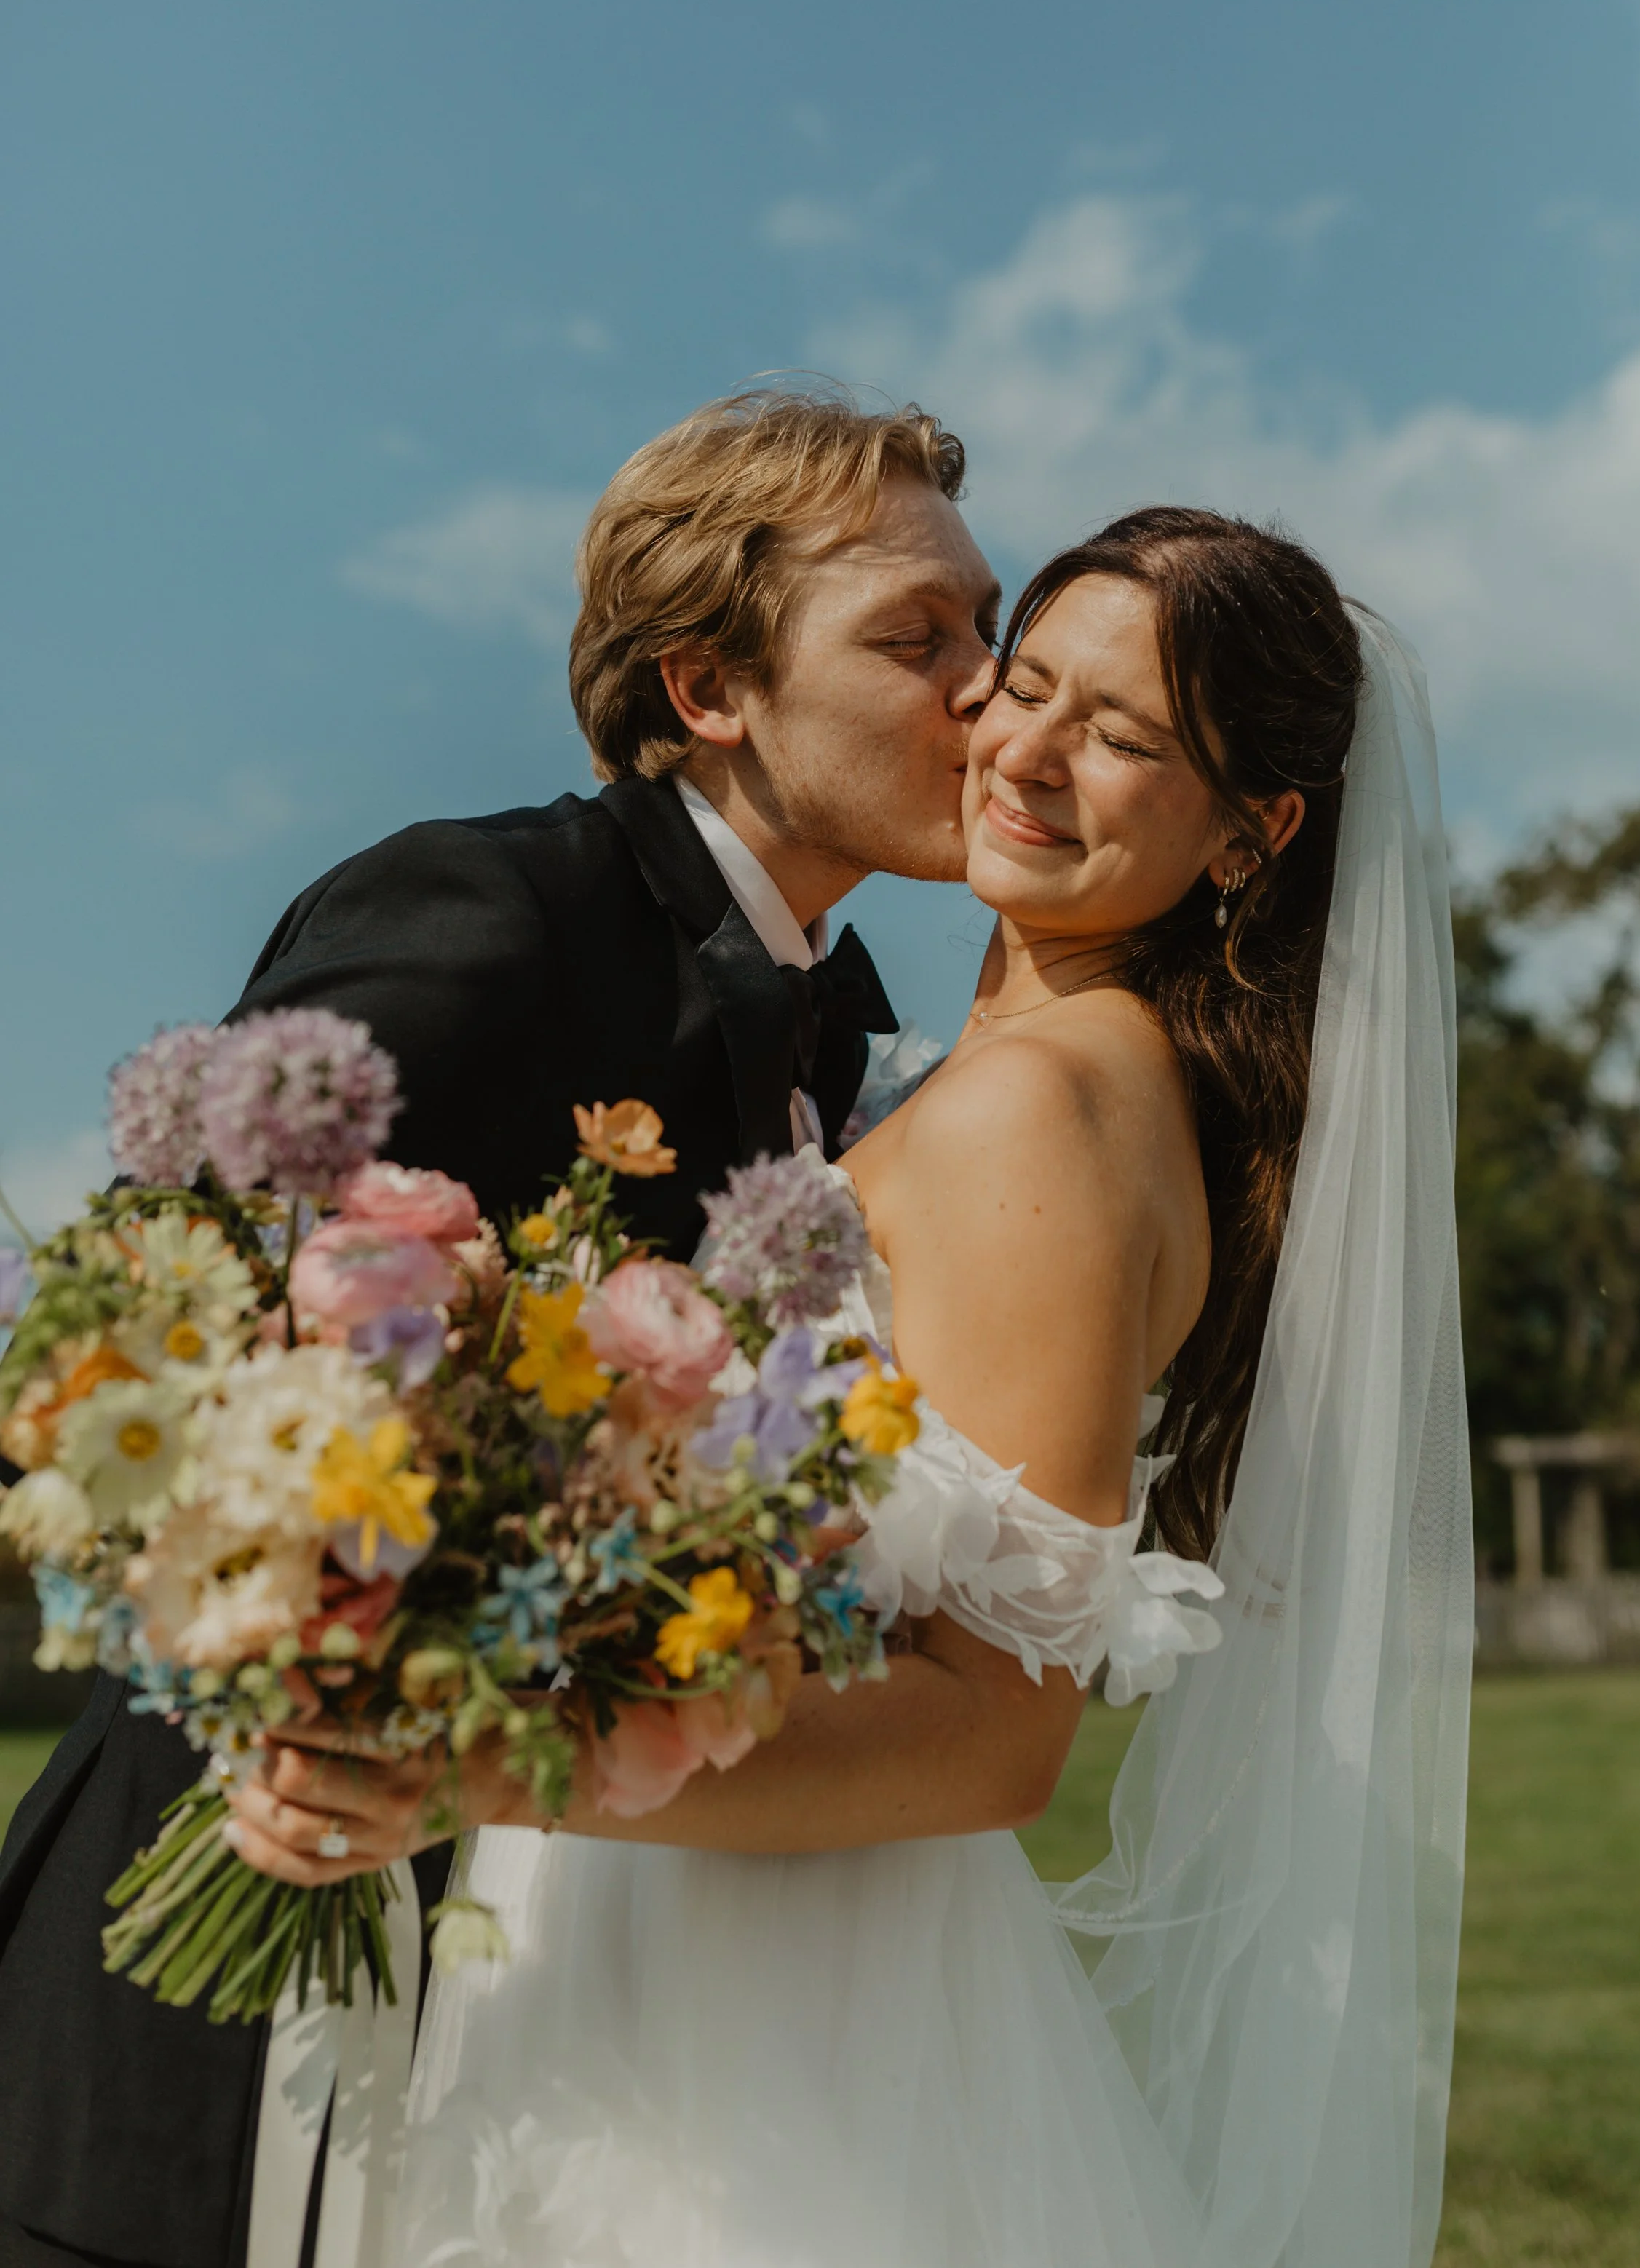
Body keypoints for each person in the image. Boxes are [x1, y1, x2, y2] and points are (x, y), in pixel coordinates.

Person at [230, 505, 1476, 2268]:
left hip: (772, 2022)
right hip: (675, 1922)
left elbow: (991, 1734)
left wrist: (479, 1769)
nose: (1025, 752)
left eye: (1121, 738)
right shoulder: (988, 1078)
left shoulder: (1041, 1116)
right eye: (1021, 684)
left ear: (1251, 836)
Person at [0, 389, 1001, 2268]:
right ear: (710, 686)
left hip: (523, 1970)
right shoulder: (492, 909)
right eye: (915, 634)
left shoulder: (831, 1051)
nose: (987, 685)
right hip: (213, 1980)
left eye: (986, 624)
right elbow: (150, 1322)